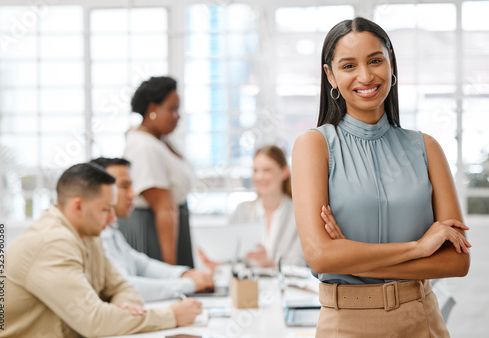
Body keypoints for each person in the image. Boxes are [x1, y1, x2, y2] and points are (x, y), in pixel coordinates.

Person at [291, 17, 471, 337]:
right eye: (348, 65)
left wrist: (349, 256)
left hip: (423, 321)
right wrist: (420, 247)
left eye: (376, 60)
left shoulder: (426, 148)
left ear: (391, 65)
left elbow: (456, 263)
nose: (365, 76)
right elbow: (319, 256)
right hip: (344, 325)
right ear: (330, 76)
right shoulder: (314, 146)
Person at [0, 163, 201, 337]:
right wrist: (171, 316)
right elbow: (93, 321)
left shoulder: (88, 235)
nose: (113, 218)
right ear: (78, 206)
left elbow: (120, 287)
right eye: (105, 210)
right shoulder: (52, 243)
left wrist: (125, 307)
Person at [91, 157, 214, 302]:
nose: (133, 194)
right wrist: (188, 284)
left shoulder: (111, 231)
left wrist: (183, 274)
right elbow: (123, 285)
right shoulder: (95, 237)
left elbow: (141, 264)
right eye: (124, 186)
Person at [119, 76, 195, 267]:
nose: (178, 115)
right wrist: (172, 270)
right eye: (172, 109)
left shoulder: (159, 139)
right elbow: (163, 207)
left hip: (169, 227)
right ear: (152, 110)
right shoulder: (144, 146)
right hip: (155, 233)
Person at [199, 145, 305, 269]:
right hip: (248, 286)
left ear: (285, 172)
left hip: (285, 287)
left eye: (267, 170)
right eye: (255, 171)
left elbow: (300, 263)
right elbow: (232, 256)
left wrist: (271, 264)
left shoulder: (298, 213)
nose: (259, 177)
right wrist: (217, 263)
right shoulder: (242, 211)